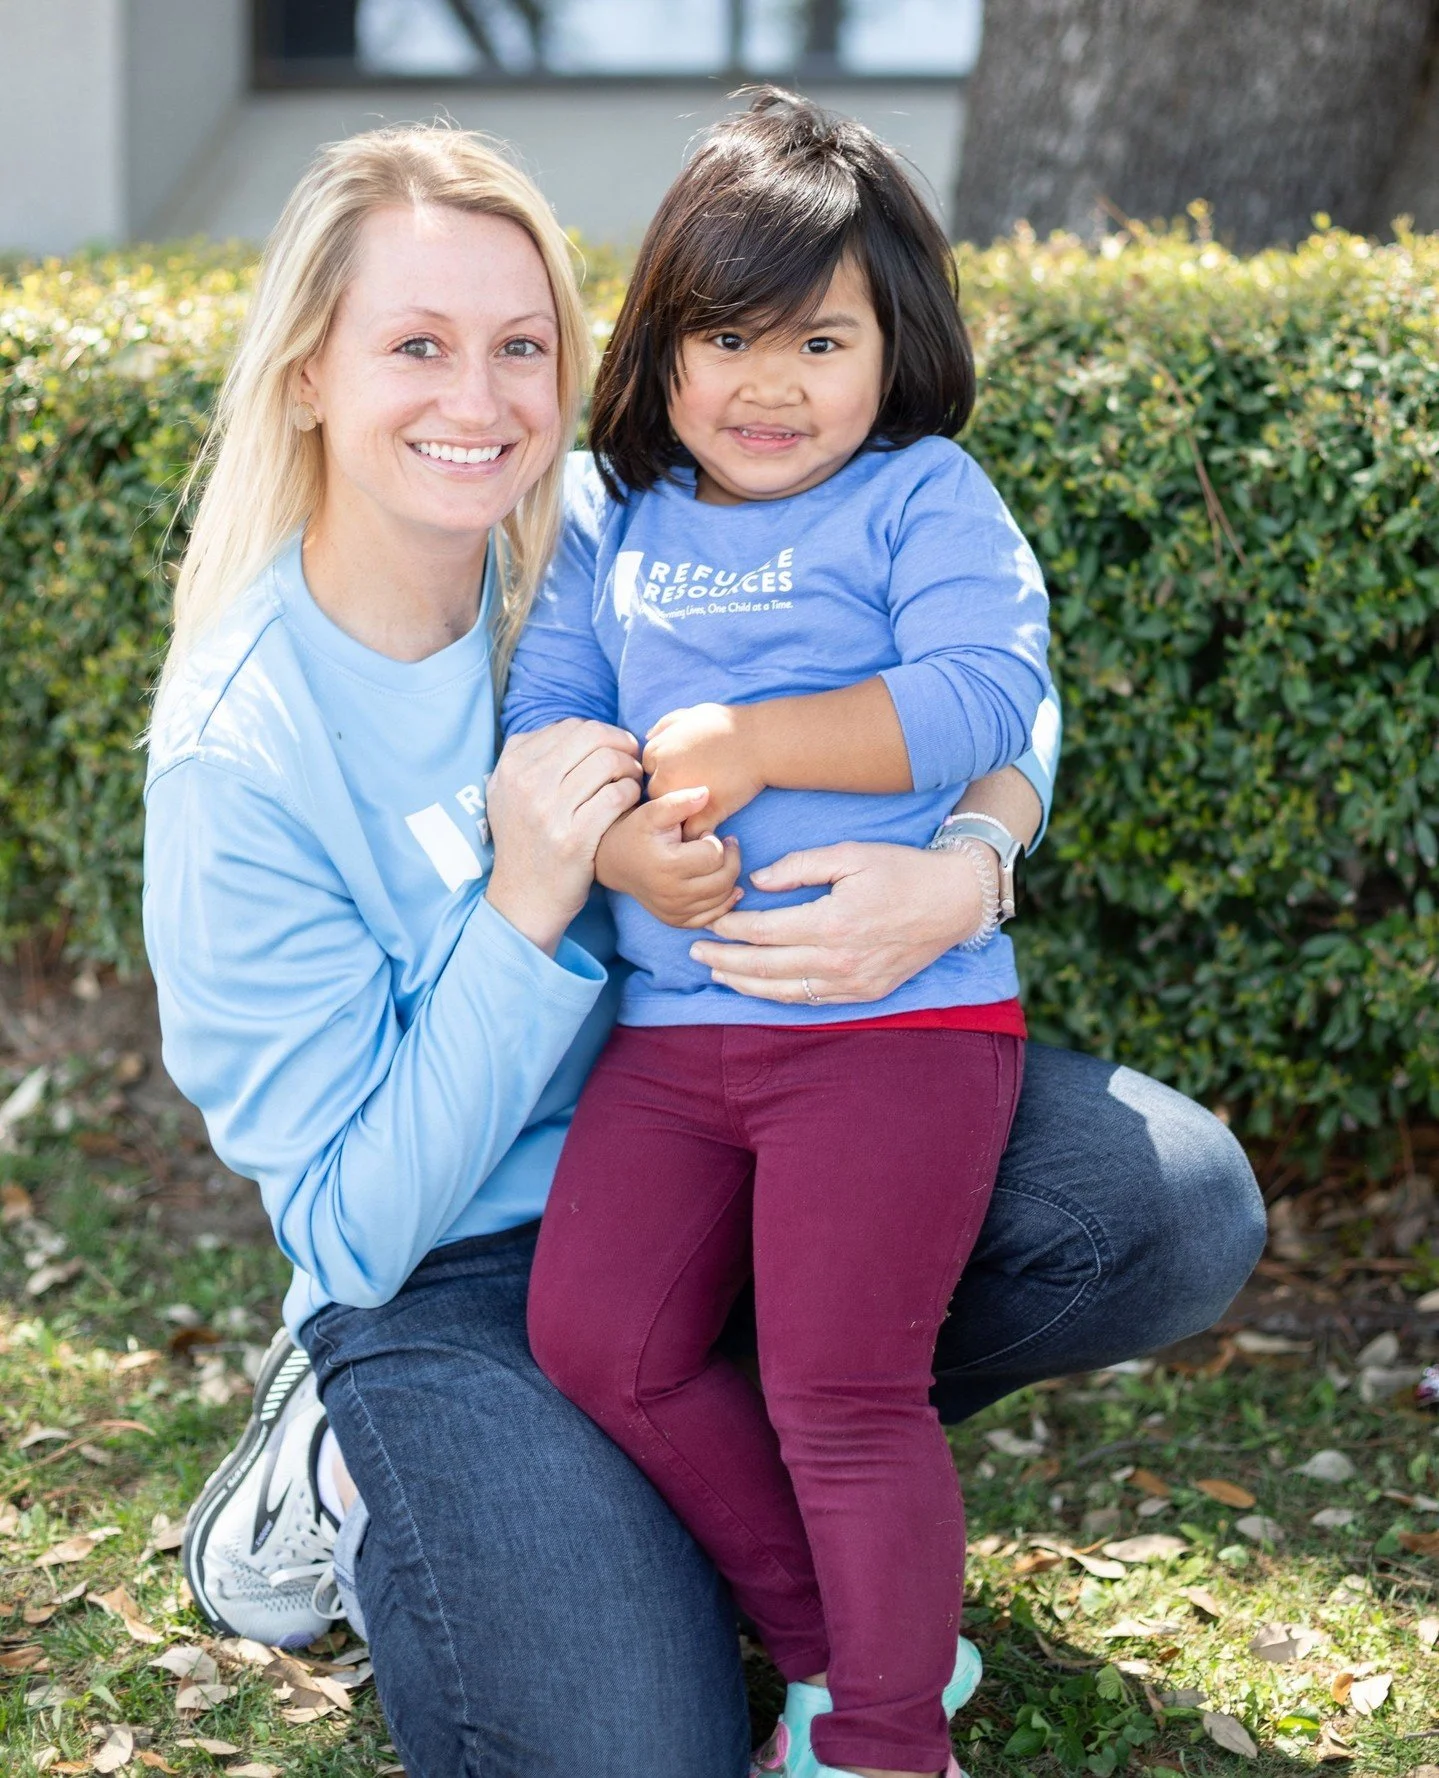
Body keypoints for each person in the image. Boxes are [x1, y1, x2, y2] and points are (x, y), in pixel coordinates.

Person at [144, 122, 1265, 1778]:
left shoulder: (615, 514)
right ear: (307, 374)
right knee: (626, 1744)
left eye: (521, 345)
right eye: (417, 347)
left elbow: (992, 662)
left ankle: (762, 1490)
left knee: (1157, 1205)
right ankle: (370, 1470)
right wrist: (537, 894)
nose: (481, 401)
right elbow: (351, 1215)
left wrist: (971, 860)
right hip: (457, 1267)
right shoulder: (241, 755)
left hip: (756, 1125)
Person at [513, 91, 1045, 1778]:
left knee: (839, 1390)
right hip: (674, 1039)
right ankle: (844, 1644)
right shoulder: (614, 520)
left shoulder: (922, 497)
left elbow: (982, 695)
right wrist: (615, 850)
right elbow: (548, 725)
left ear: (894, 349)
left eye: (821, 338)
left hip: (896, 1031)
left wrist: (756, 744)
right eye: (725, 334)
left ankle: (885, 1741)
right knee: (599, 1335)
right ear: (660, 344)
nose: (768, 383)